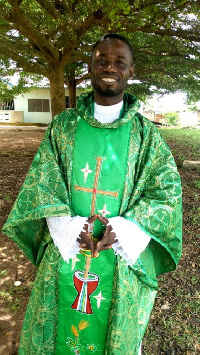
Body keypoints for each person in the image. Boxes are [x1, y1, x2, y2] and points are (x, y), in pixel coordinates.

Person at [2, 34, 182, 355]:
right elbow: (43, 182)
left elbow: (165, 192)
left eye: (119, 62)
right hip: (67, 250)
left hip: (120, 257)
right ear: (90, 67)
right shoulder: (63, 127)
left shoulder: (146, 135)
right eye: (102, 61)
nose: (109, 68)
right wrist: (71, 229)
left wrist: (124, 230)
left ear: (130, 71)